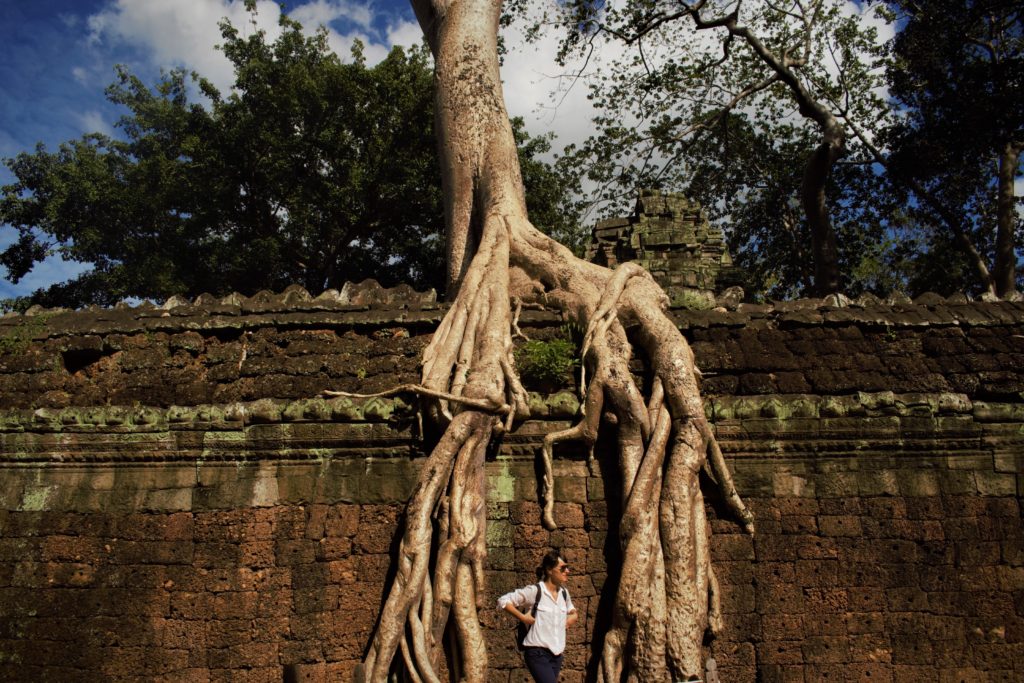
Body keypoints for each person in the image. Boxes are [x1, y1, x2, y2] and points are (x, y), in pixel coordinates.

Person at [497, 550, 578, 683]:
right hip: (537, 653)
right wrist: (523, 618)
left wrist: (573, 616)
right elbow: (503, 601)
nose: (567, 571)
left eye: (567, 567)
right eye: (563, 568)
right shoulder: (535, 591)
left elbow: (572, 610)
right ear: (549, 570)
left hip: (557, 655)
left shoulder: (564, 593)